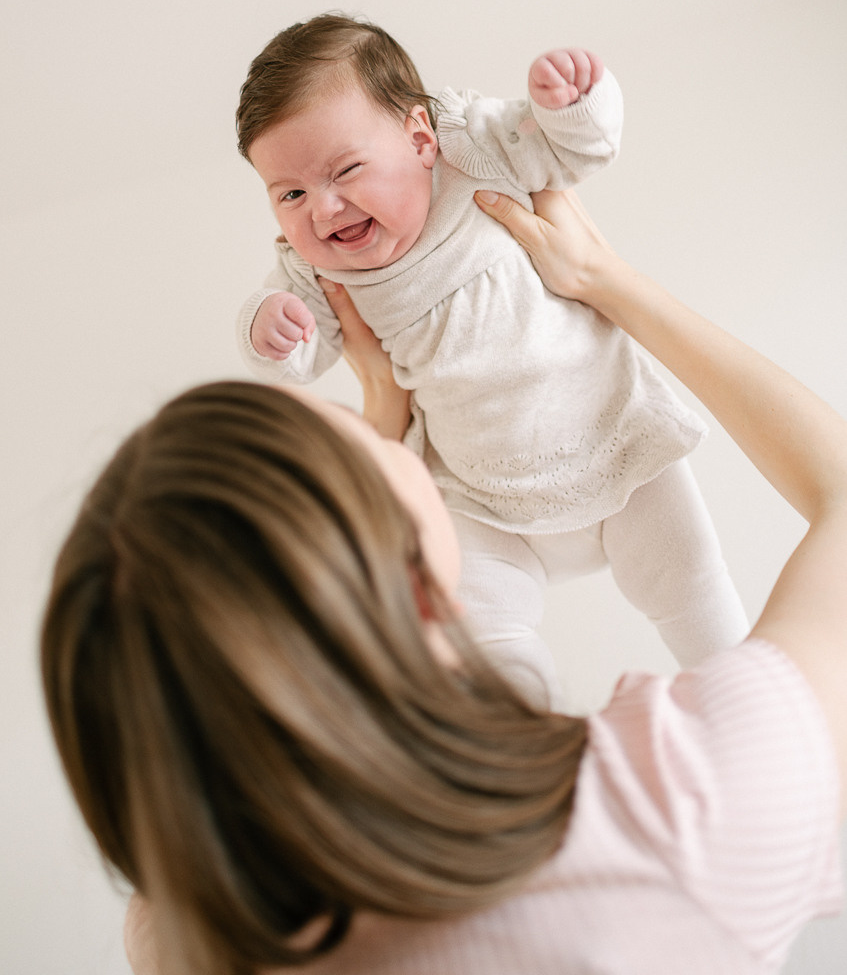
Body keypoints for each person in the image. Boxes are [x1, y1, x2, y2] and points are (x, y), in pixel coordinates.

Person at [42, 188, 844, 975]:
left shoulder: (186, 936)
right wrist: (607, 281)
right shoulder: (674, 805)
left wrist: (384, 409)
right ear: (424, 590)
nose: (385, 434)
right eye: (372, 445)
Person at [233, 13, 748, 705]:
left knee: (688, 580)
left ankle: (741, 695)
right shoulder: (312, 270)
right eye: (290, 194)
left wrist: (571, 106)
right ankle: (521, 734)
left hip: (611, 436)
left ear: (419, 138)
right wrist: (271, 328)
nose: (322, 209)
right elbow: (295, 359)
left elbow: (575, 152)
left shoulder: (472, 148)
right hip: (479, 495)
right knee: (482, 627)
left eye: (345, 171)